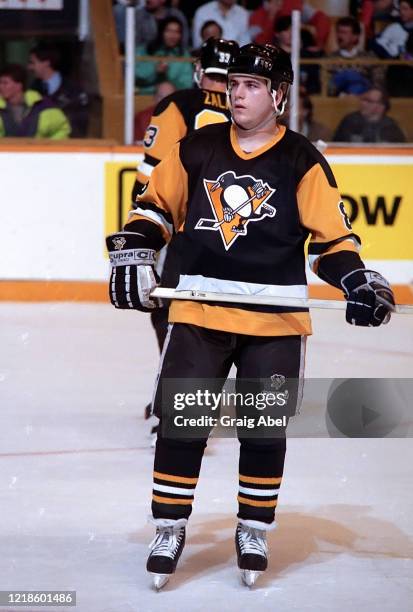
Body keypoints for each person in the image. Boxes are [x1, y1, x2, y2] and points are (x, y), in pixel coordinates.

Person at [106, 43, 395, 589]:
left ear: (278, 96)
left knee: (263, 430)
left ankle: (254, 525)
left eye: (252, 86)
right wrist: (135, 245)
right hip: (198, 308)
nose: (237, 93)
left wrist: (355, 278)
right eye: (234, 84)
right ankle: (169, 525)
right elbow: (154, 208)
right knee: (182, 424)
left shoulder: (302, 159)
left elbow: (330, 240)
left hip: (275, 321)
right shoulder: (196, 147)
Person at [133, 37, 238, 427]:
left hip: (185, 230)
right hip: (234, 231)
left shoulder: (178, 104)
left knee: (172, 316)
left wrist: (142, 232)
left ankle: (175, 405)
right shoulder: (253, 107)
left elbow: (150, 175)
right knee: (223, 319)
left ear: (200, 71)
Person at [28, 43, 89, 138]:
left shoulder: (73, 89)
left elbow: (80, 122)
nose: (30, 67)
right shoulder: (32, 89)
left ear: (46, 63)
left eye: (32, 63)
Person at [0, 63, 70, 139]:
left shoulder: (43, 106)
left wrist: (47, 147)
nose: (1, 86)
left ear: (19, 85)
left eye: (5, 83)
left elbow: (61, 130)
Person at [135, 16, 193, 94]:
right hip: (145, 96)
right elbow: (135, 77)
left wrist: (167, 82)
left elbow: (187, 85)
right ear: (161, 32)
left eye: (177, 32)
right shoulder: (144, 50)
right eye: (168, 31)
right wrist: (154, 71)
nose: (172, 35)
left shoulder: (184, 55)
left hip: (173, 98)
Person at [327, 17, 381, 96]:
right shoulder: (329, 59)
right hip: (337, 101)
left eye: (344, 32)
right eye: (338, 32)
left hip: (365, 99)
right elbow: (325, 86)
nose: (339, 36)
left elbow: (379, 83)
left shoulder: (369, 58)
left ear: (355, 36)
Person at [333, 86, 406, 142]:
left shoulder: (391, 127)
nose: (363, 103)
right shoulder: (349, 121)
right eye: (363, 99)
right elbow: (336, 145)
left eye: (369, 101)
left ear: (381, 106)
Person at [114, 0, 190, 49]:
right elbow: (135, 45)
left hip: (174, 58)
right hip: (145, 59)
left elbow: (184, 42)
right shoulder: (139, 15)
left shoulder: (176, 15)